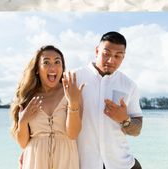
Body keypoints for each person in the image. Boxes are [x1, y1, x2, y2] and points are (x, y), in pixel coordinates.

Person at [76, 31, 143, 169]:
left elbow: (137, 130)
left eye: (118, 56)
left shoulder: (129, 85)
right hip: (85, 164)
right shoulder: (74, 77)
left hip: (123, 164)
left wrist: (125, 119)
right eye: (106, 53)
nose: (111, 60)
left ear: (123, 57)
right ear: (97, 51)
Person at [11, 45, 84, 169]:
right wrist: (23, 121)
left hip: (66, 160)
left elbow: (73, 134)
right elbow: (23, 143)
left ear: (62, 68)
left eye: (57, 62)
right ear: (37, 69)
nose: (52, 67)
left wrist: (73, 103)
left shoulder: (71, 92)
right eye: (46, 62)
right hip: (35, 160)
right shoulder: (28, 97)